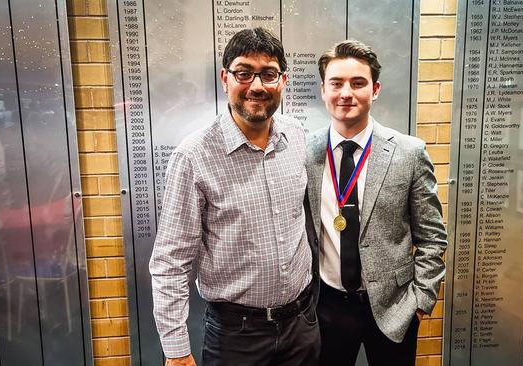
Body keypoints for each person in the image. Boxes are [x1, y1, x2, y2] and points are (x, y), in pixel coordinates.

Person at [150, 27, 319, 366]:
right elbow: (171, 262)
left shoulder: (296, 137)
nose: (257, 86)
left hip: (301, 325)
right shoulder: (194, 155)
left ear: (283, 81)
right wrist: (176, 350)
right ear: (225, 78)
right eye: (244, 73)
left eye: (269, 74)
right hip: (236, 337)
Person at [306, 40, 447, 365]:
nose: (346, 93)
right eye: (336, 83)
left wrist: (421, 302)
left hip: (394, 308)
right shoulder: (305, 152)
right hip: (326, 307)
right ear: (323, 90)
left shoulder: (409, 153)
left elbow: (433, 237)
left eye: (358, 83)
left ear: (376, 89)